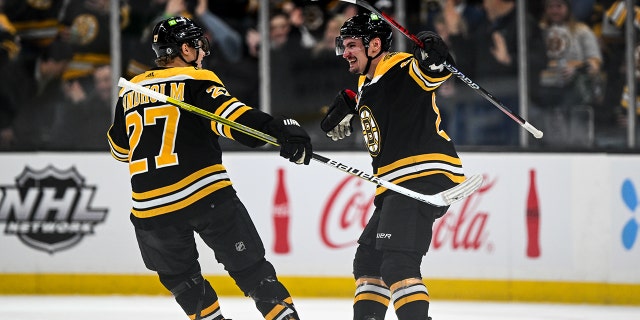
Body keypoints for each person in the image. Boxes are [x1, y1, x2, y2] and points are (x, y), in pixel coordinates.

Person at [107, 16, 311, 320]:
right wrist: (278, 130)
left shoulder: (131, 89)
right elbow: (233, 121)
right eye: (198, 46)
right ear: (185, 49)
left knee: (187, 287)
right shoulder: (197, 80)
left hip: (151, 213)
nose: (202, 53)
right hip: (205, 197)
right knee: (255, 275)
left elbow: (120, 150)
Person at [320, 12, 466, 320]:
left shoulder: (399, 66)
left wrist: (433, 53)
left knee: (398, 265)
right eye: (343, 46)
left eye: (351, 46)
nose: (345, 53)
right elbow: (378, 101)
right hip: (397, 185)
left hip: (421, 176)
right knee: (369, 263)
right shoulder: (366, 82)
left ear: (374, 45)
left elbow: (429, 73)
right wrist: (352, 102)